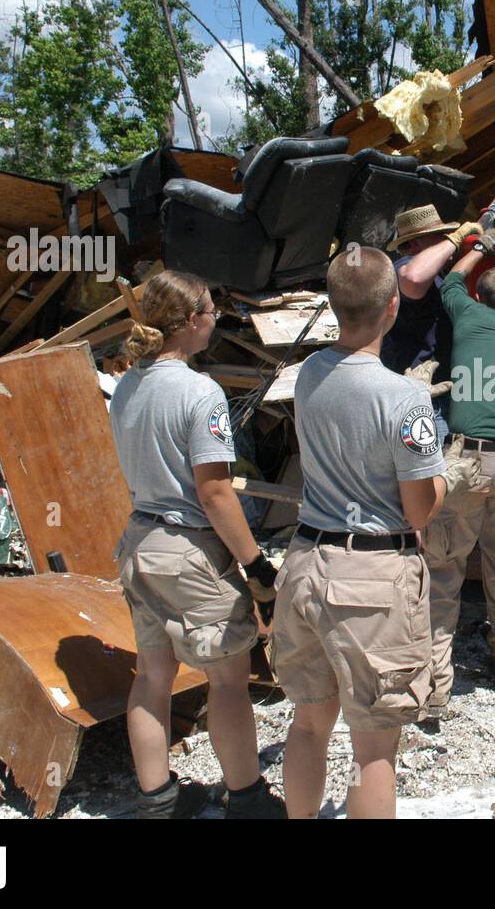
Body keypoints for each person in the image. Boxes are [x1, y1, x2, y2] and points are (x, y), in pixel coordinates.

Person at [272, 248, 447, 819]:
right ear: (393, 307)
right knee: (374, 749)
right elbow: (418, 511)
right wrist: (442, 475)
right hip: (371, 576)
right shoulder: (405, 398)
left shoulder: (308, 374)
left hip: (304, 561)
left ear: (332, 304)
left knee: (308, 723)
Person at [110, 269, 284, 819]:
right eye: (212, 311)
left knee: (152, 676)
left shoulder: (128, 383)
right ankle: (248, 799)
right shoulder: (200, 391)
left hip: (139, 540)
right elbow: (214, 492)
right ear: (190, 322)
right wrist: (255, 564)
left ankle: (157, 799)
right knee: (229, 680)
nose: (217, 320)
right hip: (188, 549)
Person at [422, 226, 495, 719]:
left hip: (470, 459)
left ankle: (434, 686)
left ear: (479, 297)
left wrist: (477, 247)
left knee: (446, 566)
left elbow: (449, 278)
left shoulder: (466, 311)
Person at [380, 204, 483, 441]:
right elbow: (413, 279)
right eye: (441, 238)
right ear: (416, 244)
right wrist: (456, 239)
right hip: (424, 400)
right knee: (429, 473)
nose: (448, 243)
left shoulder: (437, 273)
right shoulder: (402, 267)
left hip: (438, 396)